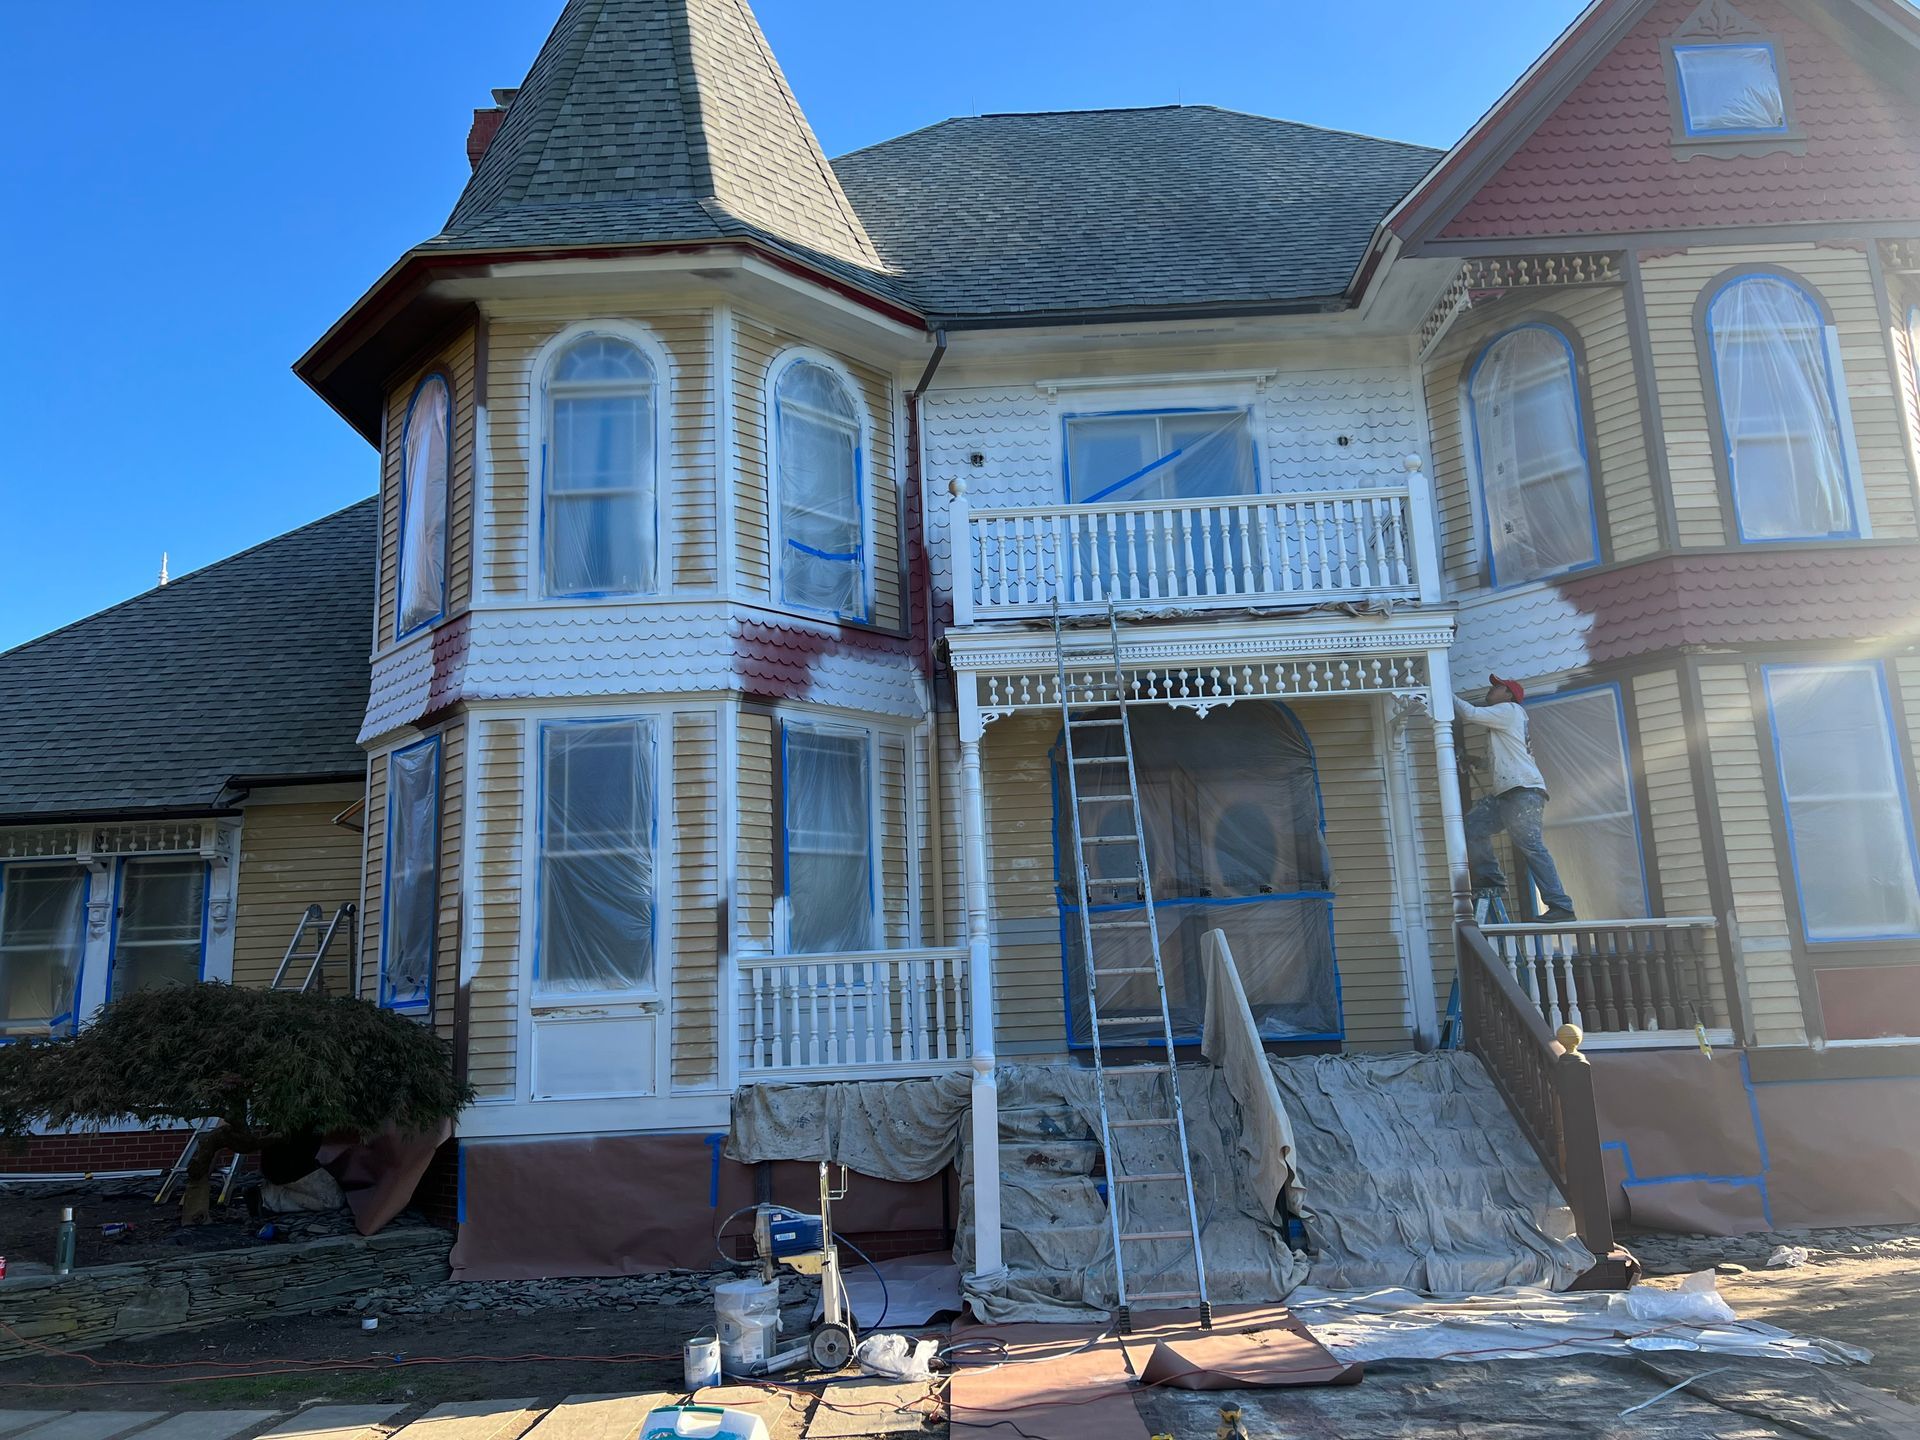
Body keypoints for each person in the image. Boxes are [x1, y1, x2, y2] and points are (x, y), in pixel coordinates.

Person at [1453, 674, 1577, 922]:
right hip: (1508, 793)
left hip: (1523, 792)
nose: (1491, 689)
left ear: (1509, 695)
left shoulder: (1509, 710)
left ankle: (1561, 905)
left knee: (1530, 845)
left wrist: (1443, 688)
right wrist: (1474, 761)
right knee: (1472, 827)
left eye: (1497, 686)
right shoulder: (1505, 720)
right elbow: (1503, 760)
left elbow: (1469, 714)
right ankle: (1490, 877)